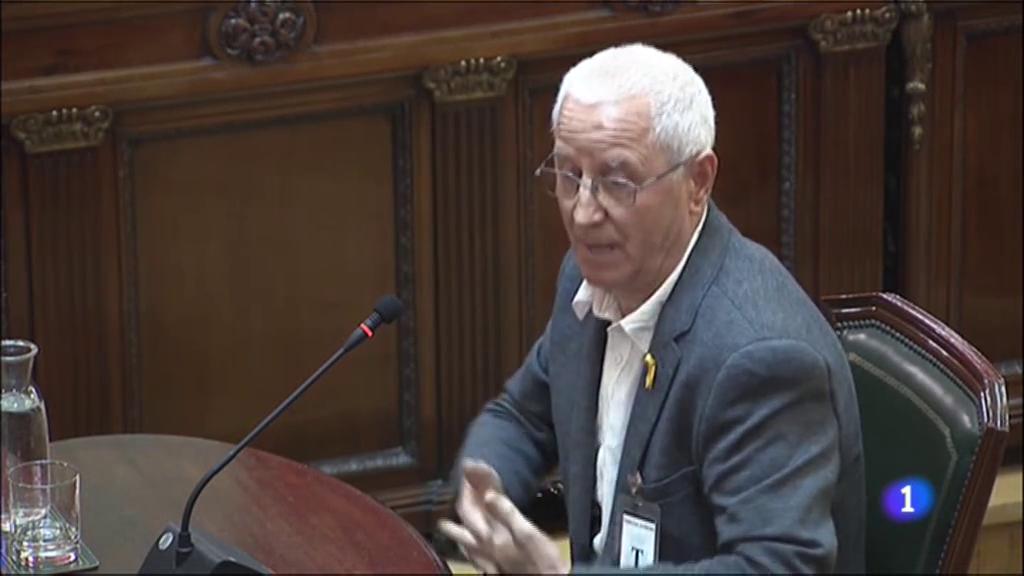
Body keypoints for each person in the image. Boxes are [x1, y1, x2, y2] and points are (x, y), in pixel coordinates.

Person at [438, 43, 865, 573]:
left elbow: (776, 566)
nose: (583, 213)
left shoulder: (761, 358)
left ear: (697, 183)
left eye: (617, 182)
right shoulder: (589, 277)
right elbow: (523, 415)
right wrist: (486, 492)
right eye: (568, 175)